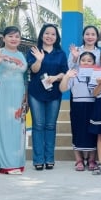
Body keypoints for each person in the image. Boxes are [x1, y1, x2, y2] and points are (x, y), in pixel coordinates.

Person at [0, 26, 28, 175]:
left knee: (18, 129)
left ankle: (18, 163)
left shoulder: (22, 55)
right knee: (4, 127)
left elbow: (24, 77)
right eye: (10, 36)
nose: (14, 39)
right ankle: (6, 164)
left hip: (19, 94)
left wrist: (25, 97)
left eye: (17, 36)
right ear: (3, 38)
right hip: (3, 94)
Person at [27, 24, 68, 171]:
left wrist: (55, 77)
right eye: (47, 33)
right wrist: (39, 59)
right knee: (38, 125)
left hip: (54, 93)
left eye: (53, 34)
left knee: (50, 125)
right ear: (42, 35)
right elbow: (33, 70)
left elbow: (65, 72)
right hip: (36, 92)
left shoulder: (61, 54)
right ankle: (38, 159)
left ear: (56, 37)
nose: (49, 36)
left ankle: (49, 158)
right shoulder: (34, 50)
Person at [60, 51, 98, 172]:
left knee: (93, 133)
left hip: (93, 106)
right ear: (79, 62)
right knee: (77, 132)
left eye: (89, 60)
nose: (86, 62)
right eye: (83, 60)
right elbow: (62, 89)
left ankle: (92, 159)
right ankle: (79, 160)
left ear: (94, 62)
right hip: (77, 106)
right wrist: (66, 76)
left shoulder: (97, 74)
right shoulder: (74, 73)